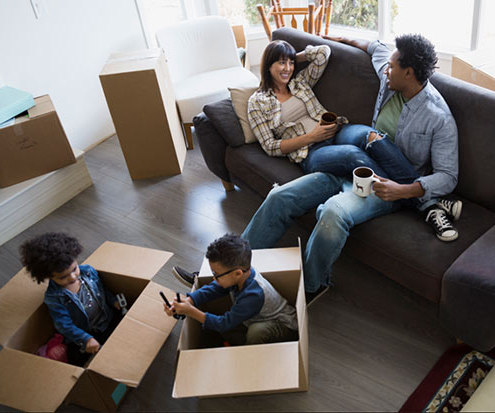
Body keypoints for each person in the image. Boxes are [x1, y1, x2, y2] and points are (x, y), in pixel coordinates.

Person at [242, 33, 461, 305]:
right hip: (343, 163)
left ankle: (313, 285)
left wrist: (404, 190)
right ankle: (231, 265)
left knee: (332, 211)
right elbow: (374, 46)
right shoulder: (389, 74)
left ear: (408, 72)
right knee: (279, 197)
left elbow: (448, 176)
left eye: (392, 67)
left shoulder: (438, 118)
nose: (386, 70)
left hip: (386, 187)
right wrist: (333, 37)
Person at [249, 39, 400, 178]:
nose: (288, 68)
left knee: (371, 135)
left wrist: (292, 56)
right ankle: (402, 195)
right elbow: (270, 146)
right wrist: (312, 137)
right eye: (282, 63)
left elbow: (323, 52)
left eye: (291, 63)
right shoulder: (257, 102)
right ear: (268, 65)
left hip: (336, 130)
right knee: (353, 155)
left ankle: (415, 188)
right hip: (311, 152)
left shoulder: (299, 82)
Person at [167, 233, 298, 345]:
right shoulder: (238, 277)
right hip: (254, 318)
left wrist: (191, 311)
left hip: (283, 326)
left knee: (255, 332)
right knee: (221, 326)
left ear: (237, 273)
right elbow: (213, 289)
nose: (213, 279)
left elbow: (224, 323)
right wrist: (189, 300)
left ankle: (252, 353)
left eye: (216, 275)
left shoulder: (253, 294)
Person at [20, 232, 121, 366]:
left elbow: (102, 290)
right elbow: (64, 324)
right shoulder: (53, 298)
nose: (73, 277)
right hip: (86, 332)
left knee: (123, 330)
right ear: (48, 277)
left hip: (107, 318)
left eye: (74, 269)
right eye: (63, 277)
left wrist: (113, 300)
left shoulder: (89, 272)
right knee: (76, 359)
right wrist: (85, 339)